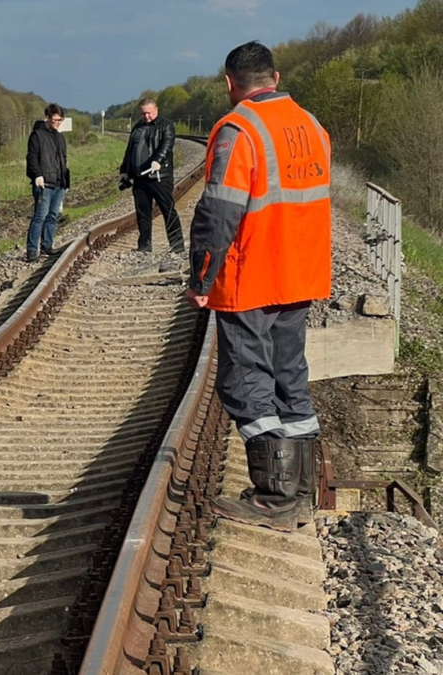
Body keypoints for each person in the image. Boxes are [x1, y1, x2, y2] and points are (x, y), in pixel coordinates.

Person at [184, 41, 332, 531]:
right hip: (301, 273)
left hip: (254, 276)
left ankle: (274, 496)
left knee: (245, 382)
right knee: (290, 375)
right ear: (276, 75)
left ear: (230, 83)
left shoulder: (238, 130)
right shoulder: (312, 125)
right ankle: (303, 490)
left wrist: (202, 276)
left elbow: (219, 210)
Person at [120, 99, 184, 253]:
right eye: (143, 113)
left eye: (149, 112)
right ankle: (144, 246)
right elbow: (130, 150)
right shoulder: (137, 127)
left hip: (159, 177)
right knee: (142, 213)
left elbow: (167, 145)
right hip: (139, 178)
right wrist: (124, 171)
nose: (146, 116)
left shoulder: (166, 125)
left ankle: (177, 246)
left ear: (156, 109)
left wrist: (158, 160)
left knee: (168, 210)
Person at [25, 103, 70, 261]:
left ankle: (47, 246)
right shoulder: (37, 136)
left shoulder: (60, 137)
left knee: (52, 216)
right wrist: (37, 175)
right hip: (44, 183)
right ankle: (31, 250)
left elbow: (63, 160)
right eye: (56, 119)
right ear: (48, 118)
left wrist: (66, 182)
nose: (58, 122)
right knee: (40, 216)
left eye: (60, 120)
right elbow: (32, 157)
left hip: (59, 183)